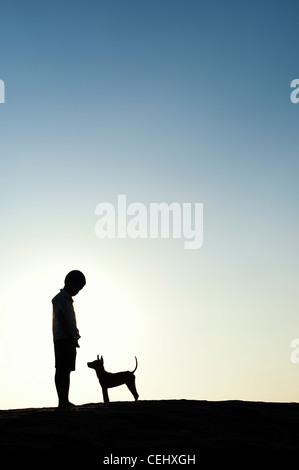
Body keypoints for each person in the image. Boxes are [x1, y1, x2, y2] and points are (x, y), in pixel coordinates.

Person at [52, 270, 86, 408]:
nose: (77, 292)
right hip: (62, 339)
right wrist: (70, 335)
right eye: (77, 288)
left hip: (69, 338)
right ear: (69, 283)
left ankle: (65, 399)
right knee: (61, 369)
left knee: (67, 370)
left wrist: (75, 335)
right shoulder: (59, 298)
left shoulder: (68, 300)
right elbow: (60, 318)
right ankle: (62, 401)